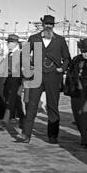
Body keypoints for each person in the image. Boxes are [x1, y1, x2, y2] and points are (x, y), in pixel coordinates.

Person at [19, 15, 71, 144]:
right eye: (46, 24)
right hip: (36, 75)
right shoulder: (34, 38)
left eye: (51, 24)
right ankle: (26, 134)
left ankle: (53, 135)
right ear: (43, 25)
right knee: (31, 105)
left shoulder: (60, 40)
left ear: (54, 26)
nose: (48, 26)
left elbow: (67, 58)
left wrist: (62, 68)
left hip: (53, 76)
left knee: (52, 106)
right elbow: (24, 55)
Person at [0, 34, 24, 129]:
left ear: (14, 43)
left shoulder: (20, 54)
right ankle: (22, 119)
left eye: (9, 42)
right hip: (10, 79)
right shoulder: (9, 54)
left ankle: (5, 121)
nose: (7, 44)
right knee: (16, 100)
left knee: (11, 99)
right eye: (7, 42)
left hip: (17, 80)